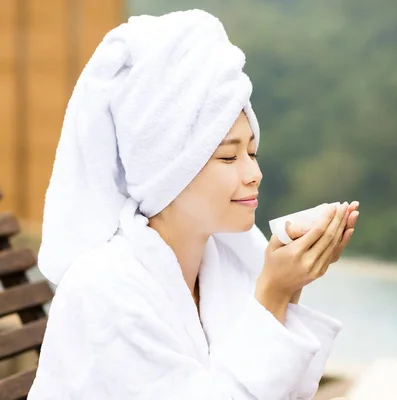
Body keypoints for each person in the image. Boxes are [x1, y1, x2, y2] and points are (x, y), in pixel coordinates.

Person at [28, 9, 359, 400]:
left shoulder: (222, 264)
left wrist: (290, 288)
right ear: (169, 171)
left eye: (252, 152)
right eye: (228, 157)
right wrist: (273, 290)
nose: (254, 174)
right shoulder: (105, 289)